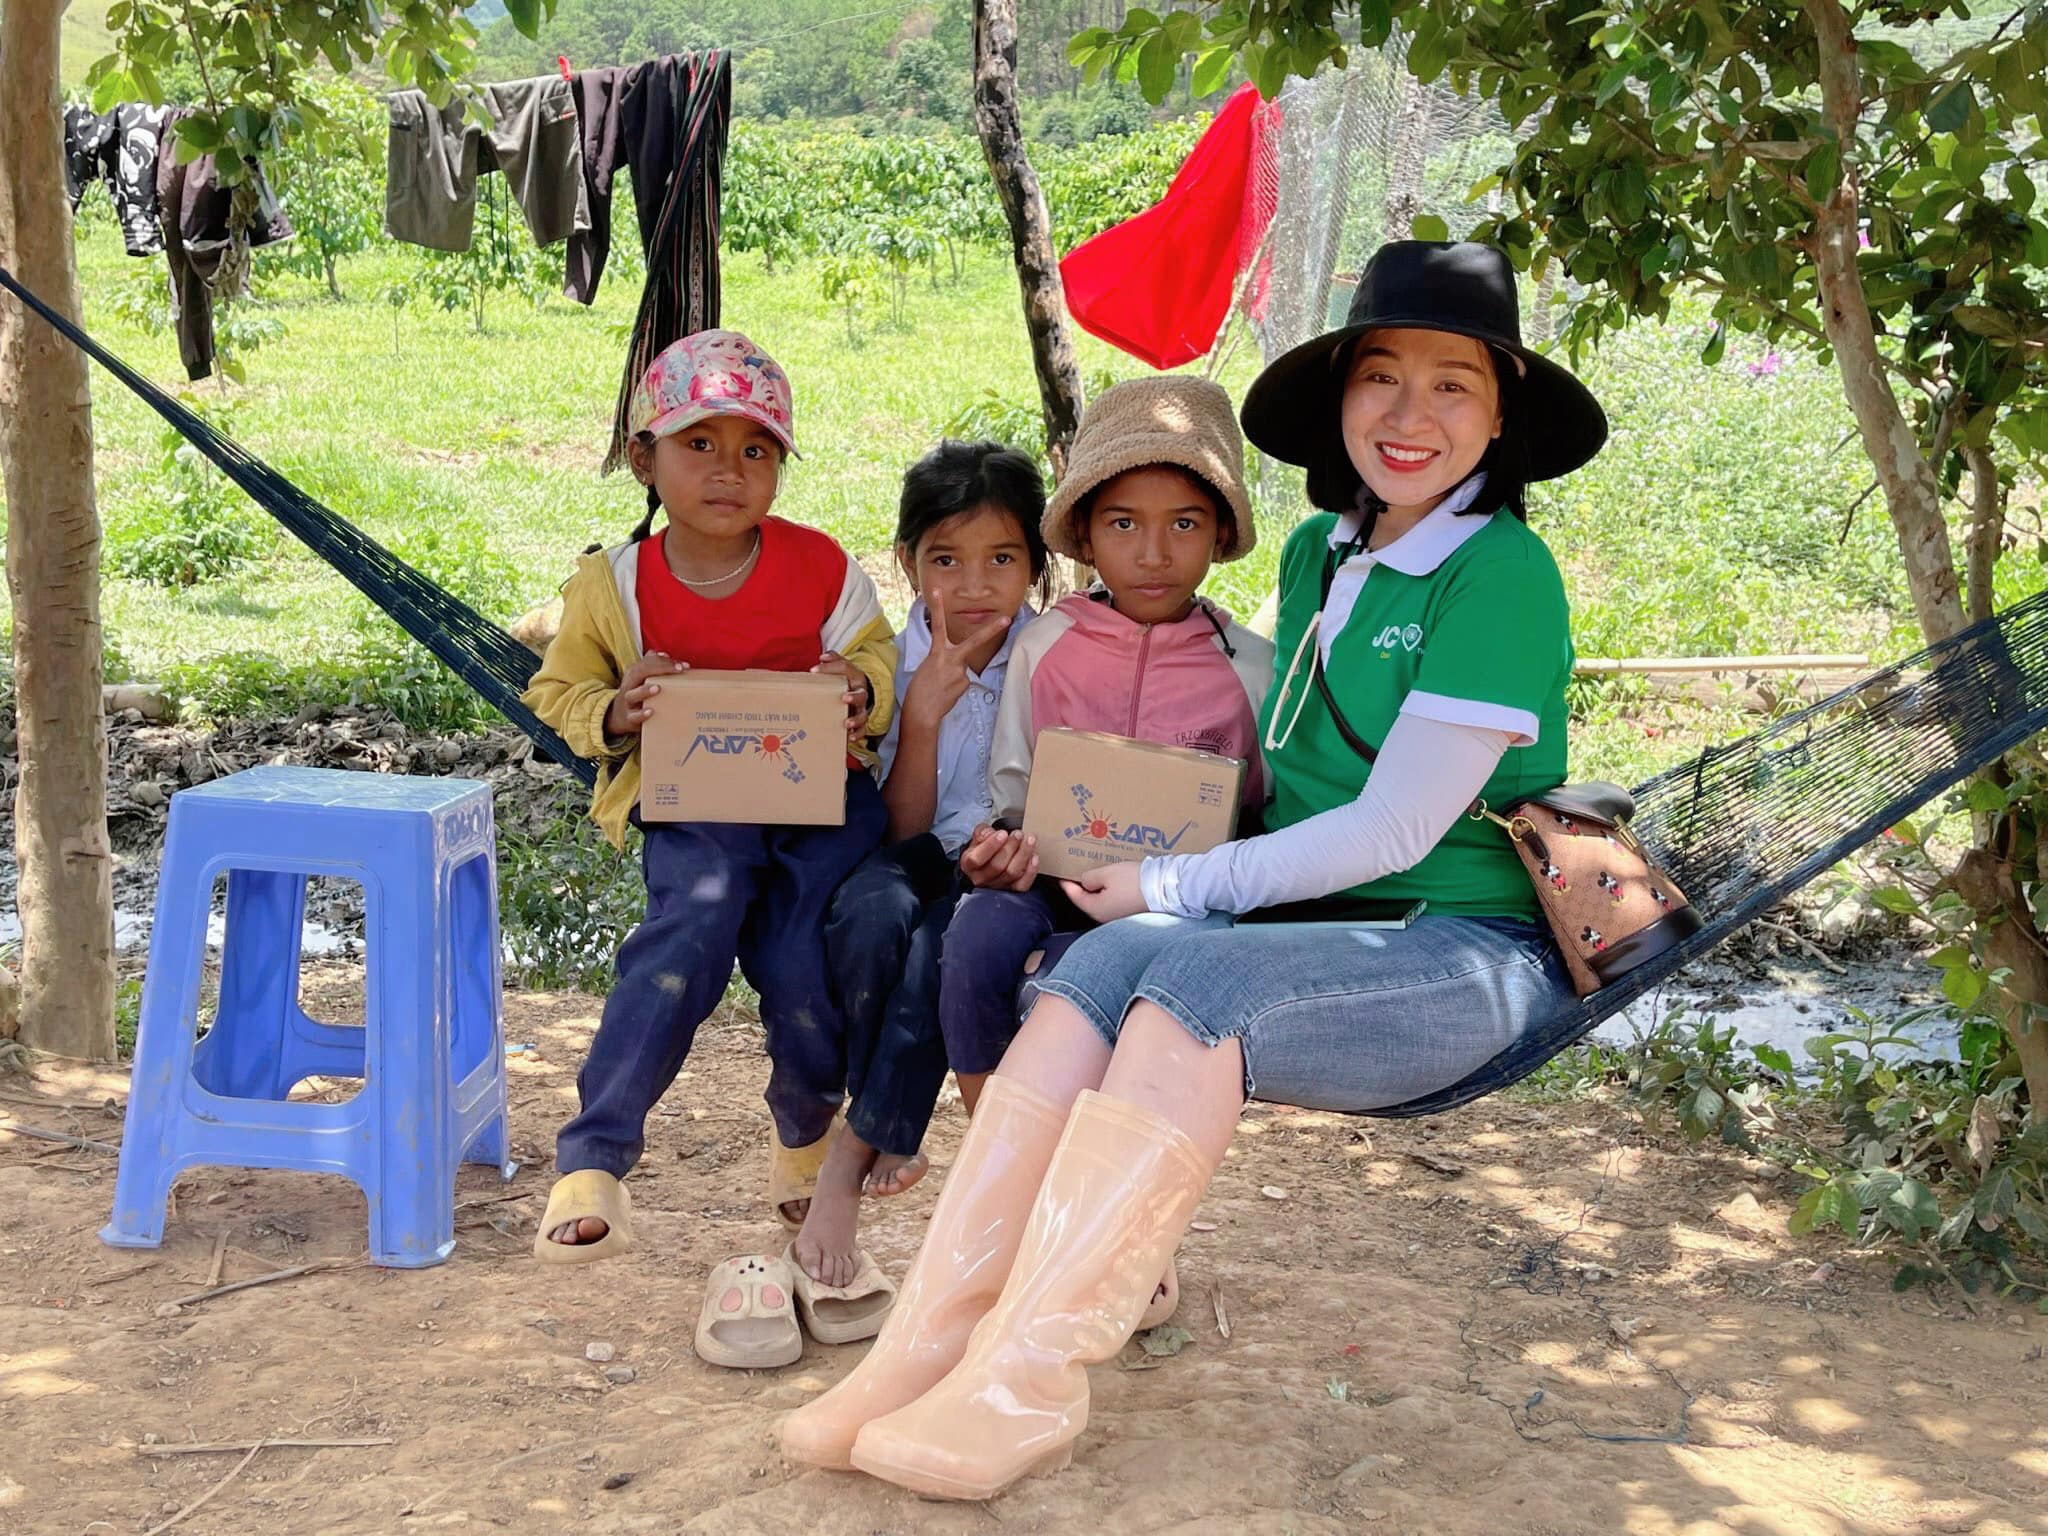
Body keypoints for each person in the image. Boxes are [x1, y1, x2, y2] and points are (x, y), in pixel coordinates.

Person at [780, 240, 1608, 1497]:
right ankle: (925, 1347)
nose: (1408, 414)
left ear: (1500, 415)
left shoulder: (1501, 577)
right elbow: (1269, 785)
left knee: (1182, 995)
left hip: (1456, 949)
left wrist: (1170, 884)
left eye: (1452, 385)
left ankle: (1027, 1379)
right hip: (1314, 927)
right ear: (1339, 399)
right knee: (1094, 970)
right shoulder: (1320, 556)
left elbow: (1389, 835)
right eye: (1380, 376)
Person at [522, 329, 897, 1264]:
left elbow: (878, 658)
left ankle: (804, 1139)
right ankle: (596, 1157)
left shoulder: (821, 569)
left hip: (821, 817)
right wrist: (619, 708)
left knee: (802, 965)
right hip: (698, 816)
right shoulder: (616, 587)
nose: (728, 471)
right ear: (645, 459)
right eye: (700, 445)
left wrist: (857, 688)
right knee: (685, 939)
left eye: (755, 451)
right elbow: (557, 693)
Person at [935, 376, 1274, 1116]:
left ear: (1221, 534)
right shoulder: (1046, 645)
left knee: (1147, 983)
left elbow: (1262, 812)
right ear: (1084, 535)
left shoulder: (1250, 667)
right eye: (1123, 525)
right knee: (975, 940)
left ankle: (1114, 1149)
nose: (1153, 553)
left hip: (1184, 903)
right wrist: (998, 853)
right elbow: (1013, 796)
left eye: (1184, 525)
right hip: (1050, 884)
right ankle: (990, 1131)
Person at [791, 440, 1051, 1288]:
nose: (974, 587)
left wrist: (1009, 850)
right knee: (871, 917)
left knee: (943, 947)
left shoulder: (1052, 658)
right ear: (908, 562)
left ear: (1037, 564)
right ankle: (888, 1122)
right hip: (911, 852)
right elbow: (901, 828)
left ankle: (849, 1159)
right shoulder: (888, 663)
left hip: (1006, 870)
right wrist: (928, 714)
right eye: (947, 560)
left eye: (1002, 559)